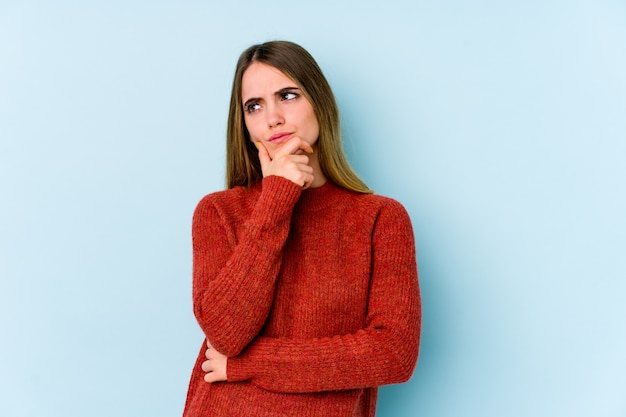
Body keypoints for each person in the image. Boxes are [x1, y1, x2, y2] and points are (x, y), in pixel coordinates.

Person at [182, 40, 421, 417]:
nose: (272, 117)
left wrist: (247, 364)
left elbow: (393, 354)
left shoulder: (381, 219)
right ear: (243, 125)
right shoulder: (218, 212)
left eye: (288, 95)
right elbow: (225, 333)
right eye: (254, 106)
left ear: (319, 104)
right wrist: (276, 197)